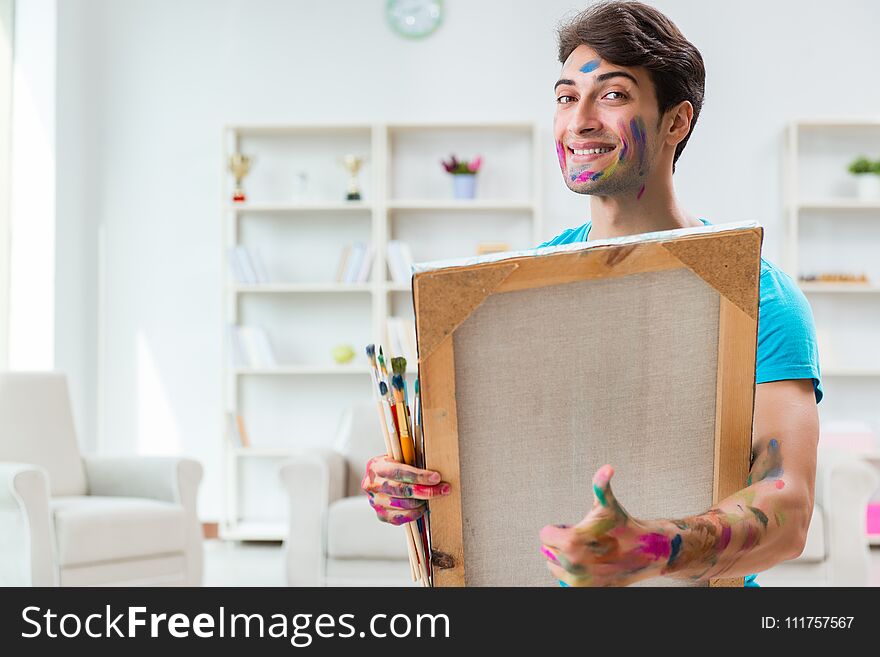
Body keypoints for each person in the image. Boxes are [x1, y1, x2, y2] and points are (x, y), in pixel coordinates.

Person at [361, 0, 821, 587]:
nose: (578, 121)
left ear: (676, 122)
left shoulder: (759, 296)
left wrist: (653, 548)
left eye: (612, 95)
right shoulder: (521, 285)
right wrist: (405, 484)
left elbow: (789, 511)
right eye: (564, 97)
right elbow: (476, 459)